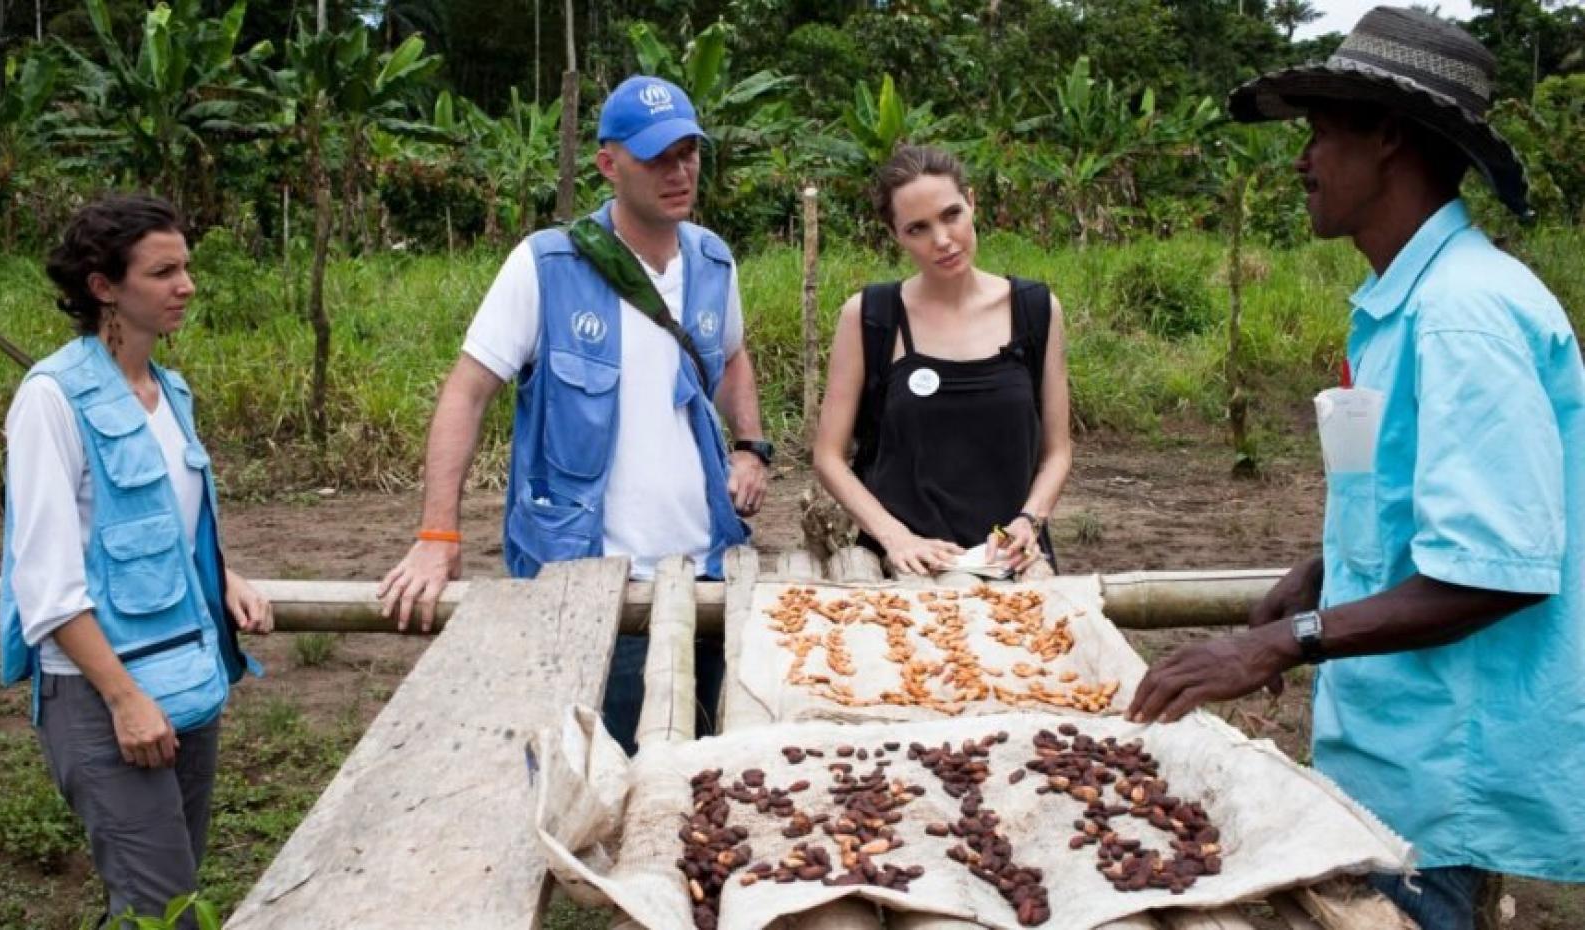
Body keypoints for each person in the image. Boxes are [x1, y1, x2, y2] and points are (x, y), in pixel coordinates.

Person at [1125, 9, 1585, 929]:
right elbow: (1416, 512)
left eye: (1323, 135)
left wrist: (1271, 644)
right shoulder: (1402, 305)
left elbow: (1496, 572)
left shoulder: (1463, 317)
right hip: (1389, 754)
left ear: (1388, 139)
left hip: (1443, 780)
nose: (1303, 162)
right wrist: (1315, 577)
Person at [376, 76, 769, 753]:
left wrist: (750, 447)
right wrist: (438, 535)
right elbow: (465, 393)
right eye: (657, 158)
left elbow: (732, 357)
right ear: (608, 165)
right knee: (594, 777)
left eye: (688, 152)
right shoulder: (547, 266)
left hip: (709, 570)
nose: (679, 172)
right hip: (589, 581)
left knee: (706, 773)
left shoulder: (712, 262)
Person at [0, 194, 273, 925]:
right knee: (166, 908)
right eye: (163, 272)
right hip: (103, 692)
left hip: (184, 675)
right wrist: (123, 699)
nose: (186, 285)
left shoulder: (168, 393)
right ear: (103, 287)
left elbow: (159, 529)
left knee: (161, 894)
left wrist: (223, 575)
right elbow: (48, 584)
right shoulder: (52, 401)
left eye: (185, 268)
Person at [813, 145, 1072, 577]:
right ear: (895, 234)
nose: (943, 240)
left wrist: (1029, 522)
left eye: (951, 215)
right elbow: (828, 456)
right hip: (902, 570)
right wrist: (895, 537)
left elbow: (1057, 452)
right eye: (918, 228)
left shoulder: (1035, 310)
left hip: (1011, 561)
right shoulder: (872, 316)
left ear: (972, 202)